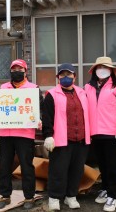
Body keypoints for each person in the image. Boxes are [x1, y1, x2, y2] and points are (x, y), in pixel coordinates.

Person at [84, 57, 116, 212]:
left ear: (111, 70)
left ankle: (113, 196)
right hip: (95, 133)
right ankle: (105, 189)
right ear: (94, 70)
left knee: (113, 165)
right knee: (102, 165)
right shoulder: (88, 87)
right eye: (99, 67)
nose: (102, 70)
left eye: (105, 67)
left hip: (113, 134)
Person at [0, 59, 43, 210]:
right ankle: (5, 195)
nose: (17, 71)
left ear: (25, 71)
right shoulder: (3, 88)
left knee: (26, 166)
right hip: (6, 133)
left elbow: (40, 109)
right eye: (14, 69)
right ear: (10, 71)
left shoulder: (34, 88)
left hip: (25, 134)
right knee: (4, 165)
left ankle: (29, 197)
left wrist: (39, 119)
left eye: (20, 69)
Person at [42, 63, 90, 211]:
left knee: (77, 170)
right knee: (58, 170)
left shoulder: (82, 93)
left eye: (69, 74)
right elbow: (47, 117)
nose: (66, 77)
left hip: (81, 139)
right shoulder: (51, 95)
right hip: (62, 140)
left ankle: (71, 196)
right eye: (62, 75)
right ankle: (55, 197)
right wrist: (48, 135)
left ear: (74, 77)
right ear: (58, 77)